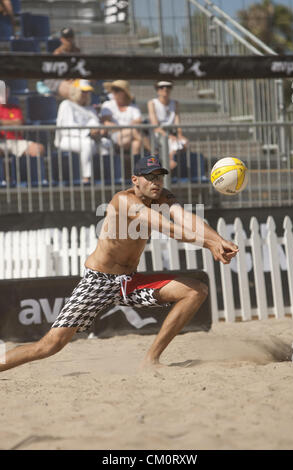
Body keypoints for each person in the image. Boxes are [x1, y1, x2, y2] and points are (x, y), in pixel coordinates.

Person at [0, 155, 238, 372]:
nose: (157, 182)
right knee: (49, 346)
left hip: (129, 282)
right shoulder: (124, 200)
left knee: (196, 290)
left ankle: (151, 359)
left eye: (160, 177)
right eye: (150, 177)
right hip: (98, 282)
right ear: (135, 179)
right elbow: (167, 228)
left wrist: (220, 240)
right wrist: (208, 245)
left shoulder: (163, 197)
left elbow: (185, 217)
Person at [54, 79, 109, 184]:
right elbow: (67, 127)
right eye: (83, 91)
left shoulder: (90, 109)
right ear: (76, 91)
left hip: (88, 138)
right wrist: (88, 132)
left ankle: (106, 177)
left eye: (87, 92)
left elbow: (95, 124)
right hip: (67, 139)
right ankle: (86, 178)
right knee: (87, 144)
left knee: (106, 144)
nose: (86, 94)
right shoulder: (66, 104)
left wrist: (98, 131)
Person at [101, 80, 150, 156]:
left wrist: (120, 128)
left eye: (117, 90)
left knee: (136, 143)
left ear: (124, 93)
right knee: (134, 131)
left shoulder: (133, 107)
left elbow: (138, 121)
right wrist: (128, 128)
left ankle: (134, 166)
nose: (114, 92)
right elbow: (107, 123)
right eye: (113, 90)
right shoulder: (107, 105)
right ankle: (154, 152)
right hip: (113, 137)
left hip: (128, 138)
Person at [147, 81, 189, 170]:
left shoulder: (175, 103)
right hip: (158, 133)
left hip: (171, 133)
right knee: (170, 142)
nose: (165, 89)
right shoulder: (152, 103)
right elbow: (155, 126)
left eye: (168, 87)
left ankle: (169, 166)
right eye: (161, 87)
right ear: (157, 90)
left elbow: (177, 121)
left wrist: (179, 134)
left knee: (184, 142)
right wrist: (169, 136)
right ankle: (168, 165)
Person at [0, 86, 45, 158]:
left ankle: (32, 169)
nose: (5, 95)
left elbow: (18, 123)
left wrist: (2, 123)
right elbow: (16, 123)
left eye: (6, 92)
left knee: (39, 149)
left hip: (17, 141)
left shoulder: (15, 107)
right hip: (1, 142)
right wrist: (12, 123)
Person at [37, 27, 81, 99]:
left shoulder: (77, 52)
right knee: (72, 90)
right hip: (58, 81)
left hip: (74, 80)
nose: (69, 41)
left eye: (71, 38)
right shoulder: (58, 53)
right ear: (62, 39)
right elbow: (54, 75)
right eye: (67, 38)